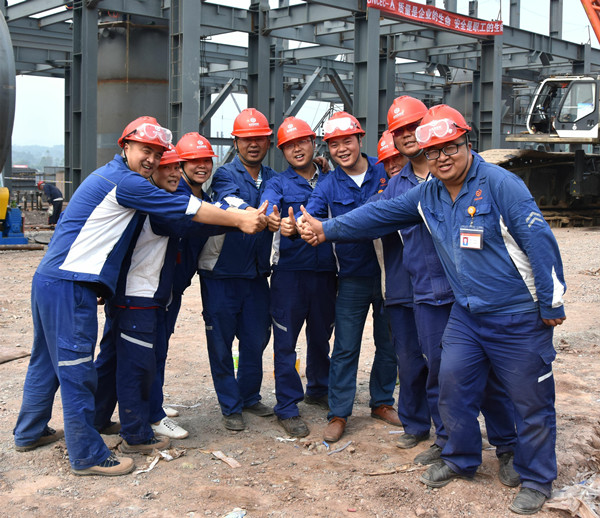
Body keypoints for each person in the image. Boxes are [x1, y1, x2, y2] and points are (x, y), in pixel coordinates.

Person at [299, 104, 566, 516]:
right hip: (467, 314)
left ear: (467, 143)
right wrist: (326, 229)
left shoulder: (500, 184)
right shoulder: (429, 194)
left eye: (451, 147)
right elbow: (378, 214)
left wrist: (550, 301)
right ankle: (460, 458)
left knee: (530, 400)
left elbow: (539, 241)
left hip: (515, 312)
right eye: (434, 150)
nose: (442, 157)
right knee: (452, 384)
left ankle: (536, 477)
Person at [13, 116, 267, 477]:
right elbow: (185, 211)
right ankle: (86, 455)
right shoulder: (128, 182)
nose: (153, 159)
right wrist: (240, 220)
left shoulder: (115, 177)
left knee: (45, 362)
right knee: (76, 370)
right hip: (71, 284)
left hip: (55, 280)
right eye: (146, 151)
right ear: (125, 146)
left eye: (159, 153)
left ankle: (30, 430)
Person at [384, 97, 518, 480]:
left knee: (489, 376)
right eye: (399, 131)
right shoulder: (398, 186)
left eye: (413, 127)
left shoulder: (467, 175)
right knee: (441, 374)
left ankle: (507, 446)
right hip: (426, 294)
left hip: (468, 294)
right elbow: (374, 218)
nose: (407, 136)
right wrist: (323, 228)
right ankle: (449, 444)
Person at [298, 111, 401, 444]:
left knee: (389, 343)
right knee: (345, 347)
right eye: (334, 144)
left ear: (360, 139)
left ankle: (382, 402)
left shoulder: (385, 170)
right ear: (328, 149)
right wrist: (301, 226)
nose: (342, 149)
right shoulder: (328, 185)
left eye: (347, 141)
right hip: (353, 277)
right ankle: (339, 412)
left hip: (390, 273)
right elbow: (311, 214)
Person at [199, 108, 277, 431]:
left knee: (256, 337)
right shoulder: (224, 175)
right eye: (246, 139)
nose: (253, 144)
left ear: (269, 142)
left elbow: (282, 194)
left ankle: (249, 396)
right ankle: (230, 406)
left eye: (259, 138)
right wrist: (255, 214)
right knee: (221, 342)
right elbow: (229, 201)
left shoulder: (273, 177)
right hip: (222, 274)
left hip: (257, 275)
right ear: (235, 142)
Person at [260, 116, 336, 437]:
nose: (297, 149)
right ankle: (288, 406)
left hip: (327, 273)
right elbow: (268, 207)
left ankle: (318, 389)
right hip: (290, 275)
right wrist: (279, 222)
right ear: (282, 151)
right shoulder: (279, 183)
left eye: (302, 141)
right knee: (286, 341)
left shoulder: (331, 178)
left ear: (313, 142)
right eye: (289, 145)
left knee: (321, 337)